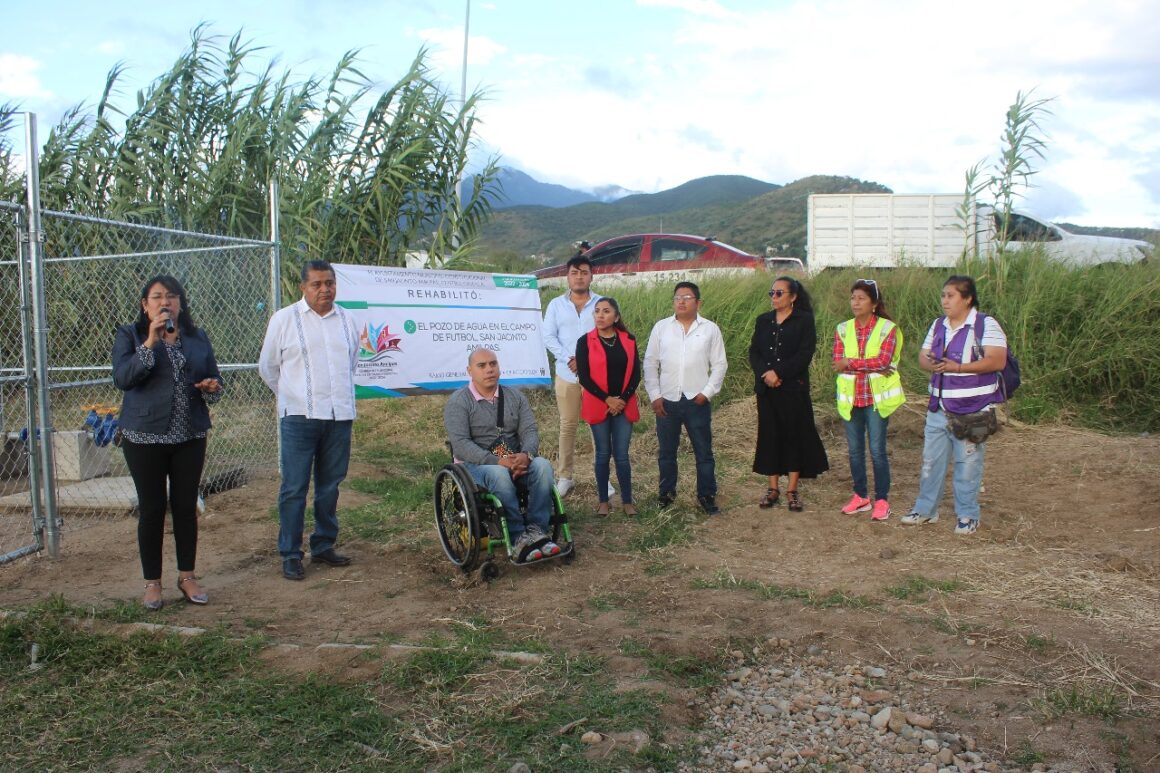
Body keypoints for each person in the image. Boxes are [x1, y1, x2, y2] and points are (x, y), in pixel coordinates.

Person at [112, 275, 222, 610]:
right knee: (153, 508)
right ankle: (152, 583)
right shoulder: (130, 335)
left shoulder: (196, 337)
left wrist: (213, 387)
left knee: (186, 507)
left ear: (181, 303)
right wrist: (150, 342)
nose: (166, 302)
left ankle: (186, 576)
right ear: (145, 305)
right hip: (144, 436)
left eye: (172, 296)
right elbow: (123, 378)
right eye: (157, 296)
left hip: (189, 435)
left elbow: (216, 378)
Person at [259, 260, 359, 580]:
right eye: (316, 284)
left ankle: (323, 544)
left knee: (330, 486)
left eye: (329, 283)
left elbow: (351, 364)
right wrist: (293, 396)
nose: (324, 290)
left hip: (339, 416)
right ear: (303, 287)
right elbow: (268, 368)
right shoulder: (284, 319)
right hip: (299, 418)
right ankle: (290, 552)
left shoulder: (348, 320)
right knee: (294, 487)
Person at [902, 275, 1007, 535]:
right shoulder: (939, 325)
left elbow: (997, 361)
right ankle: (926, 510)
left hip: (973, 408)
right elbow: (923, 357)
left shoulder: (985, 325)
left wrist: (957, 367)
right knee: (931, 462)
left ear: (968, 298)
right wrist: (933, 363)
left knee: (968, 463)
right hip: (938, 406)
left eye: (951, 295)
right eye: (943, 295)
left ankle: (968, 514)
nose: (945, 301)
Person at [444, 348, 562, 562]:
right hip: (477, 465)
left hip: (516, 458)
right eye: (482, 366)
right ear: (470, 370)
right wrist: (499, 461)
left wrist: (526, 454)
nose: (489, 369)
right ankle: (518, 538)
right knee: (498, 474)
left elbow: (529, 431)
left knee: (543, 466)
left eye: (493, 364)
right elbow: (460, 445)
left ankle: (537, 531)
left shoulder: (515, 396)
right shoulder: (459, 402)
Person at [642, 281, 728, 515]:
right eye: (677, 297)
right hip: (667, 400)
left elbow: (719, 365)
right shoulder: (662, 327)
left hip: (697, 400)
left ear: (698, 302)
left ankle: (706, 495)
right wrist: (655, 395)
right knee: (667, 452)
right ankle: (666, 494)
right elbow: (650, 363)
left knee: (703, 451)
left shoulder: (710, 329)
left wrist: (707, 392)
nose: (681, 301)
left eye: (687, 297)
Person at [748, 276, 829, 513]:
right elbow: (754, 352)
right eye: (772, 293)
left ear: (793, 297)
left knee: (794, 435)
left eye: (779, 293)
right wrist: (765, 373)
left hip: (793, 387)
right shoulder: (763, 321)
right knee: (770, 435)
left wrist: (778, 372)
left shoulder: (804, 321)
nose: (774, 297)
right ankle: (773, 488)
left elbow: (805, 354)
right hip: (767, 388)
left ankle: (792, 489)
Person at [832, 279, 904, 520]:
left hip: (875, 399)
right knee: (854, 451)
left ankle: (882, 499)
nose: (855, 302)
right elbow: (837, 363)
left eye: (861, 298)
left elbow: (884, 362)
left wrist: (851, 363)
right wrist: (867, 366)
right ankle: (861, 496)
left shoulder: (887, 329)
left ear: (874, 303)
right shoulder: (843, 329)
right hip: (852, 399)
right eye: (853, 297)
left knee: (877, 450)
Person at [541, 255, 604, 498]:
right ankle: (565, 476)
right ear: (567, 276)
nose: (579, 277)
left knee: (597, 427)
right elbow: (549, 337)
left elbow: (607, 334)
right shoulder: (556, 305)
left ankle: (602, 478)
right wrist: (571, 358)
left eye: (584, 272)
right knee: (567, 426)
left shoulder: (602, 303)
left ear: (591, 275)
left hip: (597, 378)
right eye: (575, 272)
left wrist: (586, 361)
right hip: (567, 375)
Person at [575, 297, 641, 517]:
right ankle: (603, 500)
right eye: (597, 311)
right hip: (599, 405)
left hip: (624, 404)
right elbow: (584, 377)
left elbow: (636, 374)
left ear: (616, 316)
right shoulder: (584, 341)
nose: (600, 315)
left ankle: (627, 501)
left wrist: (621, 399)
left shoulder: (628, 340)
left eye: (606, 311)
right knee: (603, 454)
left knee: (621, 455)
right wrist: (608, 399)